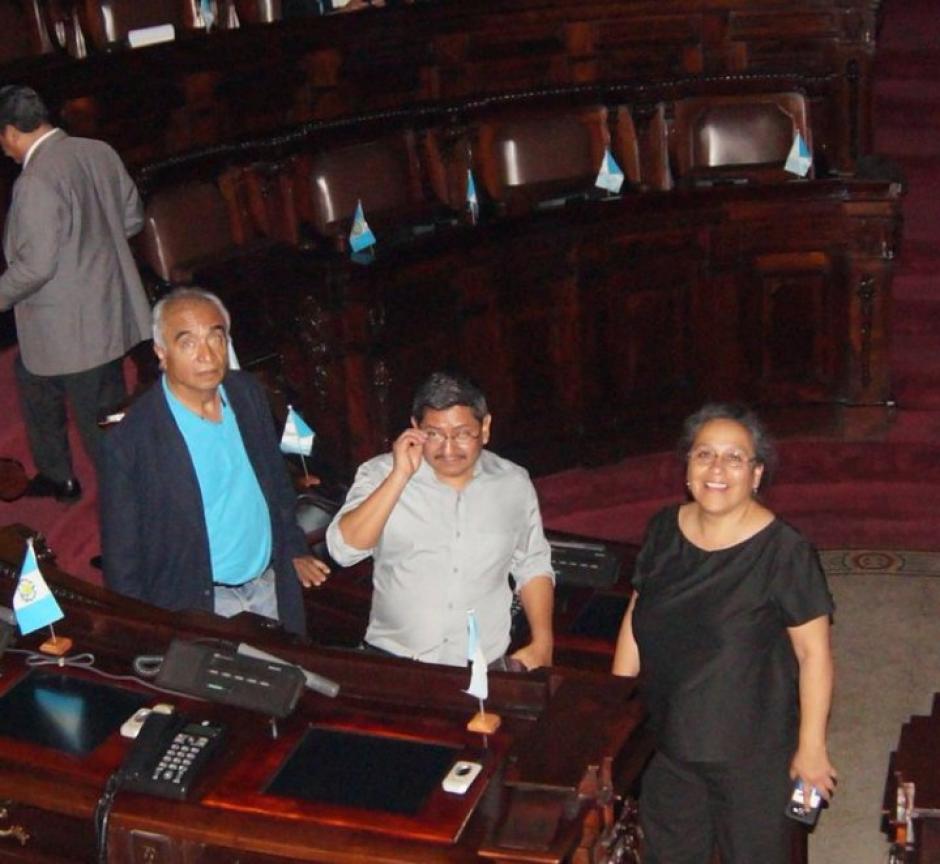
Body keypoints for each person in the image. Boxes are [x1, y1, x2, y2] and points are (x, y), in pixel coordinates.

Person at [612, 403, 836, 864]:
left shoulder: (785, 552)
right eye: (704, 455)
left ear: (756, 475)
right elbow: (639, 611)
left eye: (734, 458)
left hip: (751, 755)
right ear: (687, 467)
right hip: (667, 744)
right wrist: (615, 713)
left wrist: (811, 747)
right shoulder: (663, 529)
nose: (717, 469)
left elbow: (814, 655)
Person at [100, 288, 329, 636]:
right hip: (202, 604)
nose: (207, 356)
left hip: (270, 583)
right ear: (162, 352)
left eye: (215, 338)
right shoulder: (132, 442)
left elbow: (274, 482)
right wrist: (143, 631)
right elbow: (123, 559)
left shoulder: (245, 393)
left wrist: (293, 547)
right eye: (188, 343)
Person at [326, 371, 554, 669]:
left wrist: (543, 642)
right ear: (415, 429)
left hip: (483, 665)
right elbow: (343, 550)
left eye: (462, 434)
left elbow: (533, 563)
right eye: (433, 434)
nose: (448, 449)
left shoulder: (513, 482)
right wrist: (399, 477)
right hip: (394, 661)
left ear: (485, 428)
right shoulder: (379, 473)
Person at [0, 85, 151, 503]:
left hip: (72, 331)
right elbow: (132, 218)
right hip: (105, 310)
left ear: (10, 132)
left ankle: (134, 522)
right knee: (32, 378)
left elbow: (35, 266)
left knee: (103, 433)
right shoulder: (97, 151)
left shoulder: (35, 181)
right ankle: (56, 476)